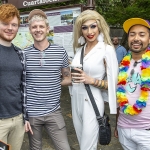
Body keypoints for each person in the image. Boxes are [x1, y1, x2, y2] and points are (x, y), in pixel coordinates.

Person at [70, 10, 118, 150]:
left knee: (87, 147)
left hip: (92, 102)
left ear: (100, 27)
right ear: (80, 30)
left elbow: (114, 85)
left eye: (93, 26)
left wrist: (92, 80)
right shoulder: (79, 50)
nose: (89, 31)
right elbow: (74, 78)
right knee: (81, 143)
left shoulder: (106, 50)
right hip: (75, 100)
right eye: (84, 27)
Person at [24, 9, 71, 150]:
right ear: (30, 30)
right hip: (32, 114)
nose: (38, 30)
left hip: (54, 111)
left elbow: (67, 78)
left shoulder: (60, 51)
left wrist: (54, 83)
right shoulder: (23, 53)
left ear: (47, 29)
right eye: (34, 27)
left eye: (41, 26)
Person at [114, 18, 150, 150]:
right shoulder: (122, 65)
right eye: (132, 34)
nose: (136, 38)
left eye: (142, 34)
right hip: (124, 128)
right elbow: (120, 97)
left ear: (149, 39)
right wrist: (117, 124)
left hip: (146, 132)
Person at [0, 3, 25, 150]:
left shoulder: (20, 53)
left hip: (18, 118)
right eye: (5, 23)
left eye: (14, 25)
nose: (10, 28)